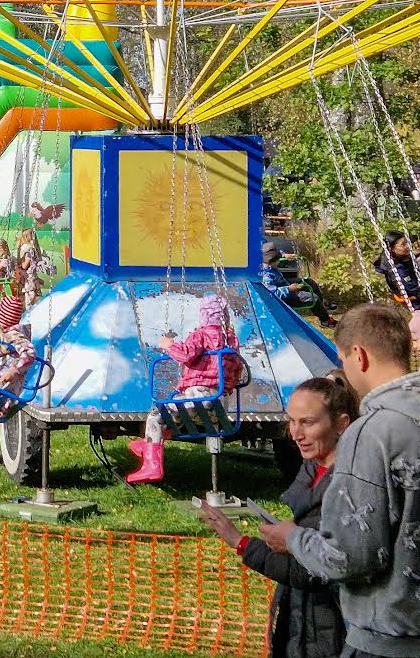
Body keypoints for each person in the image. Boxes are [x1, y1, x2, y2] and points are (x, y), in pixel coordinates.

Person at [258, 304, 420, 658]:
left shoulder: (371, 433)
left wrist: (294, 539)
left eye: (343, 359)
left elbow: (349, 557)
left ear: (358, 356)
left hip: (395, 638)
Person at [197, 374, 355, 658]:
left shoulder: (349, 485)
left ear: (341, 424)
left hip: (334, 624)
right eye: (291, 421)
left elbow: (310, 571)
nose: (295, 434)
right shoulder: (310, 468)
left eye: (307, 422)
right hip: (300, 618)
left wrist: (241, 542)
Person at [126, 294, 245, 485]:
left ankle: (152, 466)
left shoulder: (201, 334)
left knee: (156, 416)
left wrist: (168, 345)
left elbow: (185, 354)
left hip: (197, 398)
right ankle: (149, 444)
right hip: (220, 405)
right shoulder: (231, 340)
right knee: (173, 418)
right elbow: (238, 369)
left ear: (204, 316)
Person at [262, 244, 336, 327]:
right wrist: (289, 289)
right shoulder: (266, 276)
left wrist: (284, 254)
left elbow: (268, 250)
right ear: (270, 261)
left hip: (284, 283)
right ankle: (325, 321)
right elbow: (271, 293)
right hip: (283, 296)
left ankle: (321, 306)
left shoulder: (268, 264)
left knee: (310, 282)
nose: (279, 262)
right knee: (313, 298)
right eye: (278, 260)